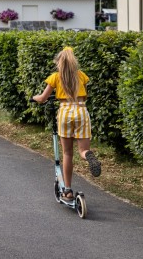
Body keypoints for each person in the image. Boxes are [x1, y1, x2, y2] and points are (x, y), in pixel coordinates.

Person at [32, 46, 101, 201]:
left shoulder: (55, 77)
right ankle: (88, 155)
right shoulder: (81, 75)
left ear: (59, 62)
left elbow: (43, 98)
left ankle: (68, 190)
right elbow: (85, 95)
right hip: (81, 110)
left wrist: (34, 97)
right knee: (83, 150)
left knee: (68, 153)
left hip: (65, 112)